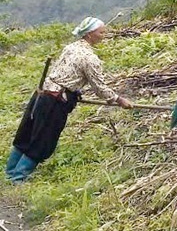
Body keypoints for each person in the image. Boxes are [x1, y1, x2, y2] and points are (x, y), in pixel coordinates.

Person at [7, 17, 134, 182]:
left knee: (28, 132)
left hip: (42, 93)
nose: (104, 35)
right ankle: (18, 177)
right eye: (101, 32)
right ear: (89, 34)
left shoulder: (71, 47)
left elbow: (67, 74)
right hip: (55, 101)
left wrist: (76, 90)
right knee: (43, 139)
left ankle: (9, 172)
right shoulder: (89, 58)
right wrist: (119, 100)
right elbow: (100, 88)